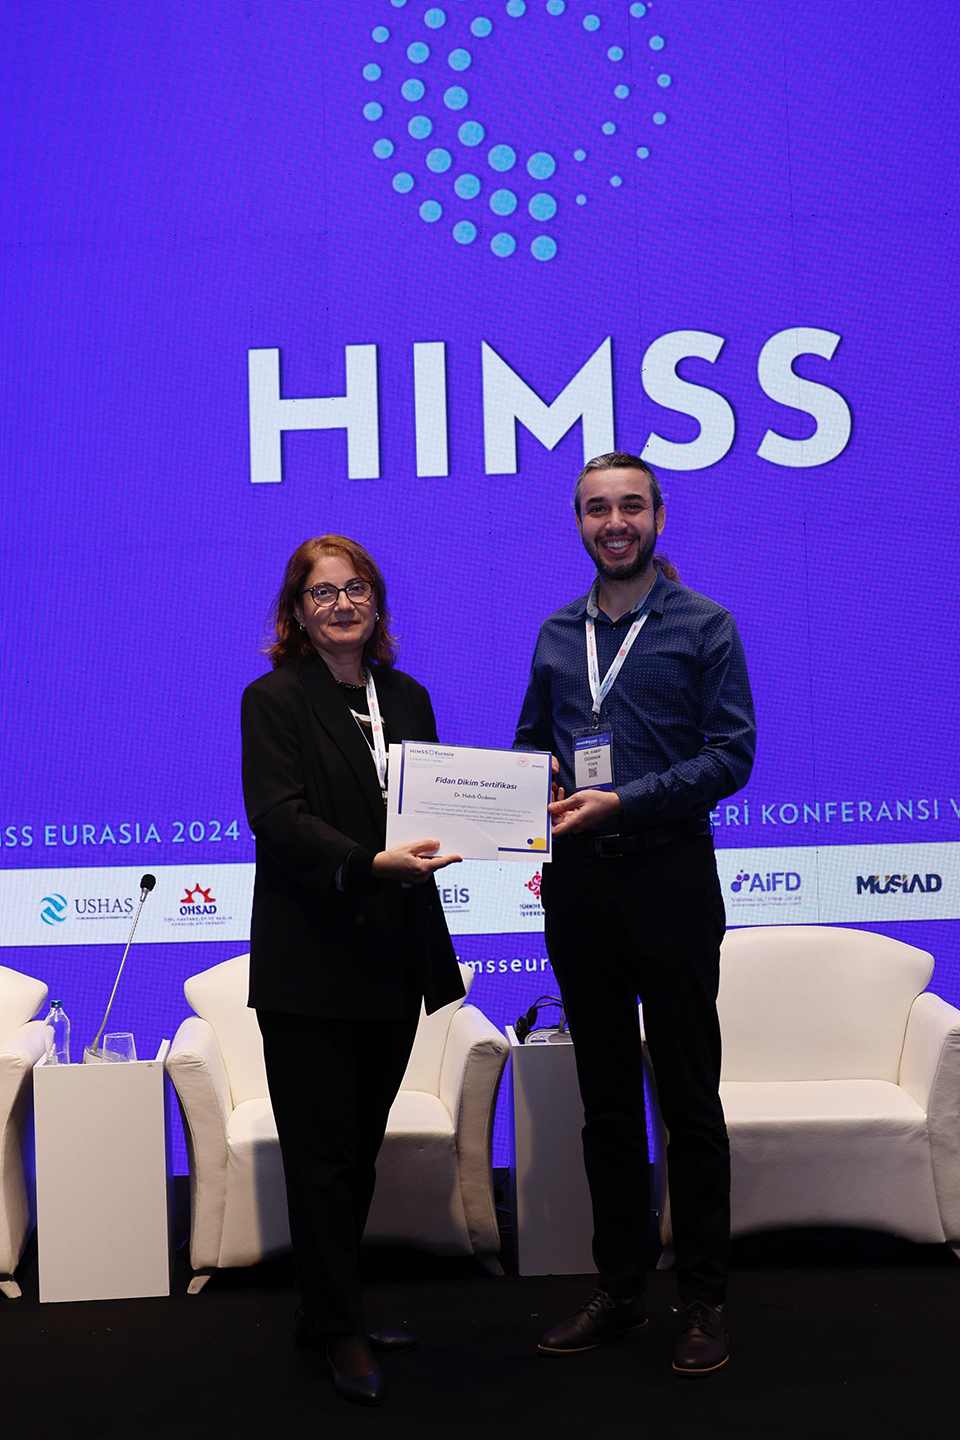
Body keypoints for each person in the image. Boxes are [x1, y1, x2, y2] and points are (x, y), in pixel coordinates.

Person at [514, 453, 755, 1376]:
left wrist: (627, 801)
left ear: (657, 515)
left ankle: (704, 1301)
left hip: (670, 878)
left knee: (690, 1100)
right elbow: (530, 744)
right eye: (595, 509)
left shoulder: (705, 625)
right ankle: (619, 1290)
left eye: (629, 506)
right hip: (581, 887)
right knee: (607, 1103)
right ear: (578, 523)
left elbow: (731, 755)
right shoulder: (555, 632)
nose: (613, 523)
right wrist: (532, 785)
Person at [241, 535, 463, 1408]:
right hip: (311, 959)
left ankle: (328, 1310)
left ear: (377, 602)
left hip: (392, 955)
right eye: (323, 592)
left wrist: (512, 813)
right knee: (321, 1155)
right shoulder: (273, 700)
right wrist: (368, 863)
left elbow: (441, 806)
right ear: (297, 612)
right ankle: (339, 1328)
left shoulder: (406, 697)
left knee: (357, 1151)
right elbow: (279, 818)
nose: (343, 604)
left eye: (357, 588)